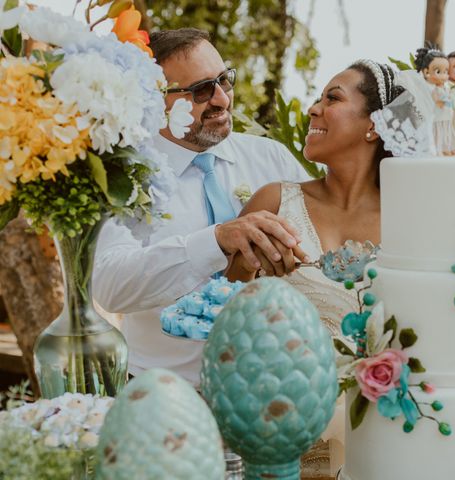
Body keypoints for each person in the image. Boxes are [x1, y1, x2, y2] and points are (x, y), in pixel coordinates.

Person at [92, 28, 310, 385]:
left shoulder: (272, 158)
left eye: (225, 80)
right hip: (164, 391)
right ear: (151, 99)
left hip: (272, 386)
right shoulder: (122, 177)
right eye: (201, 91)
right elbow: (110, 286)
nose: (222, 99)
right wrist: (216, 241)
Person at [225, 59, 401, 477]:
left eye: (332, 98)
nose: (313, 109)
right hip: (279, 435)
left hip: (384, 435)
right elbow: (226, 318)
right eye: (318, 97)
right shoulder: (273, 203)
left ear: (373, 125)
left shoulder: (410, 218)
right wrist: (246, 270)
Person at [415, 44, 455, 156]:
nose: (444, 76)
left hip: (447, 116)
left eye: (446, 72)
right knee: (438, 132)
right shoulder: (432, 90)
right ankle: (438, 149)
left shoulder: (445, 87)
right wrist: (444, 102)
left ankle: (447, 147)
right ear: (426, 72)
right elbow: (436, 102)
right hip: (438, 115)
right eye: (438, 72)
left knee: (446, 131)